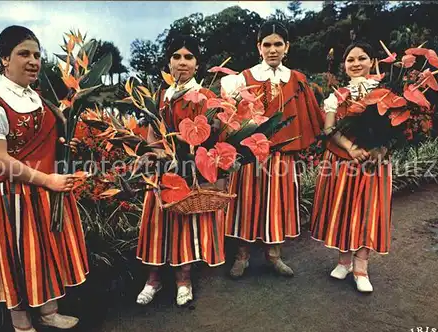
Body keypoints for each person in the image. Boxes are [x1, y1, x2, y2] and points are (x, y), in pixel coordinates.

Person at [0, 25, 88, 332]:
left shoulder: (37, 97)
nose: (33, 60)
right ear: (4, 59)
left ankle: (48, 312)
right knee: (17, 257)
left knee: (43, 253)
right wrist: (48, 180)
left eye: (37, 54)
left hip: (42, 191)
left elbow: (47, 143)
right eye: (24, 53)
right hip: (10, 196)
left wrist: (69, 146)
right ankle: (22, 326)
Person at [220, 21, 324, 278]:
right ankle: (241, 257)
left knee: (278, 204)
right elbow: (229, 119)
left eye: (278, 44)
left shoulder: (296, 79)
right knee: (246, 203)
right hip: (249, 155)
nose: (273, 49)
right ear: (259, 47)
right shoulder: (243, 78)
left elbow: (311, 118)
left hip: (281, 155)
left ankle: (274, 256)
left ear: (287, 47)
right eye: (267, 44)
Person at [136, 35, 225, 307]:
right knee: (156, 224)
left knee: (184, 225)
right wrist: (154, 153)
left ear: (197, 64)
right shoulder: (161, 96)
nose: (182, 63)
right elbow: (152, 133)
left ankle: (183, 279)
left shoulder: (205, 97)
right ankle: (153, 279)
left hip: (189, 170)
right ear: (169, 62)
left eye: (189, 57)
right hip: (162, 171)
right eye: (177, 57)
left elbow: (214, 136)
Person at [310, 41, 392, 293]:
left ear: (373, 62)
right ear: (344, 66)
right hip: (344, 161)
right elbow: (328, 129)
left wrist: (381, 149)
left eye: (362, 58)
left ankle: (361, 267)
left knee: (367, 211)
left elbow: (395, 128)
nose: (356, 64)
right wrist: (350, 147)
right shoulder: (336, 96)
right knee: (344, 209)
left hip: (373, 164)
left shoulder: (386, 93)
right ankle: (344, 261)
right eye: (350, 60)